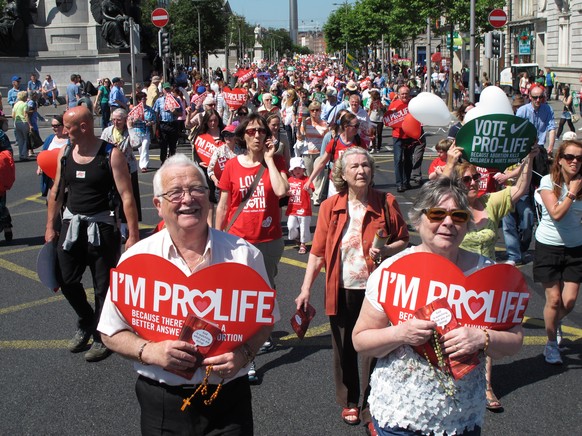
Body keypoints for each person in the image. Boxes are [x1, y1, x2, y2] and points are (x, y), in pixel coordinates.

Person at [97, 154, 276, 435]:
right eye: (175, 192)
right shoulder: (136, 259)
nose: (188, 199)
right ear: (158, 204)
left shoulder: (244, 255)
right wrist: (150, 351)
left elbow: (265, 321)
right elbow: (109, 332)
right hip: (163, 402)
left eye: (196, 189)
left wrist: (244, 354)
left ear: (208, 196)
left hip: (229, 400)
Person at [353, 177, 524, 436]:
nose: (448, 223)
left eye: (458, 215)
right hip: (400, 415)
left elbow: (515, 340)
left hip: (461, 418)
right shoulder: (392, 271)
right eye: (437, 214)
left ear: (467, 222)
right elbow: (360, 340)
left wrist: (482, 337)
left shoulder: (488, 274)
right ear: (418, 219)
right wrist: (400, 333)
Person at [296, 147, 409, 430]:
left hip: (377, 290)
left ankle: (372, 406)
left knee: (376, 349)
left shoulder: (386, 202)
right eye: (354, 167)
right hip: (342, 286)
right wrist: (305, 288)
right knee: (344, 346)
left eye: (365, 166)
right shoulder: (329, 206)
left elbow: (403, 239)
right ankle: (349, 401)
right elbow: (318, 251)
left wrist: (385, 251)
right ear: (342, 175)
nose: (361, 171)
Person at [444, 144, 536, 411]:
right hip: (453, 279)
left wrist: (528, 158)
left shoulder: (490, 203)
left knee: (484, 331)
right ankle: (449, 378)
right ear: (457, 184)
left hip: (484, 281)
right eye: (467, 179)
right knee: (451, 332)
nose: (474, 183)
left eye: (476, 177)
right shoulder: (451, 206)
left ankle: (485, 385)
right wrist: (450, 164)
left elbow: (519, 189)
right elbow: (431, 196)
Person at [45, 106, 139, 362]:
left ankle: (101, 334)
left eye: (68, 127)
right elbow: (56, 191)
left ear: (83, 127)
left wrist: (132, 235)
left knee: (103, 287)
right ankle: (86, 319)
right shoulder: (65, 153)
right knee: (65, 279)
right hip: (72, 226)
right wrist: (49, 227)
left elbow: (127, 196)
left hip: (102, 228)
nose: (64, 131)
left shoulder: (111, 154)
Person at [216, 113, 289, 381]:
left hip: (269, 240)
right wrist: (215, 234)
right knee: (242, 300)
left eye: (262, 131)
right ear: (243, 135)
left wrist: (269, 159)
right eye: (252, 131)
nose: (257, 135)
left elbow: (282, 192)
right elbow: (224, 205)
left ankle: (260, 334)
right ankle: (248, 357)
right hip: (238, 241)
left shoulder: (276, 160)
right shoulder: (232, 166)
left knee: (265, 293)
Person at [533, 139, 582, 365]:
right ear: (560, 160)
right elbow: (556, 214)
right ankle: (551, 343)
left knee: (569, 301)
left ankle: (554, 322)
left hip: (575, 249)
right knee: (553, 300)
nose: (575, 162)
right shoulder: (548, 182)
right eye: (570, 157)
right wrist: (571, 193)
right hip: (548, 247)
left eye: (579, 159)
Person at [101, 108, 142, 239]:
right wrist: (110, 147)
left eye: (119, 120)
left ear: (125, 120)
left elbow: (136, 144)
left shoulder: (129, 131)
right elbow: (101, 147)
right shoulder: (107, 131)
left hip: (128, 168)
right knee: (113, 197)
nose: (115, 122)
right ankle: (115, 224)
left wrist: (130, 128)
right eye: (113, 119)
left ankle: (126, 226)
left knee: (129, 197)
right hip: (112, 168)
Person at [306, 112, 366, 199]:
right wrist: (310, 180)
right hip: (336, 183)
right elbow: (322, 163)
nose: (357, 128)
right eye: (355, 126)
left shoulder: (359, 142)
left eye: (358, 125)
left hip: (353, 183)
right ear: (346, 126)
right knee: (334, 208)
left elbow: (366, 162)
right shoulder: (334, 142)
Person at [192, 109, 225, 226]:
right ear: (206, 122)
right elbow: (196, 150)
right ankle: (210, 225)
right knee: (209, 198)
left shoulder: (224, 133)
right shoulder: (201, 135)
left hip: (222, 170)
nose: (213, 123)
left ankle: (222, 225)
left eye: (215, 120)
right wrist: (199, 162)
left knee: (223, 198)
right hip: (206, 170)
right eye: (210, 121)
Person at [388, 86, 414, 192]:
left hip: (410, 135)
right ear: (398, 95)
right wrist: (393, 114)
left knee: (408, 160)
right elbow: (388, 120)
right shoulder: (394, 104)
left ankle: (406, 182)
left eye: (406, 94)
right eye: (402, 94)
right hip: (397, 135)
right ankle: (399, 183)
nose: (404, 96)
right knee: (398, 159)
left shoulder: (413, 104)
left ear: (409, 94)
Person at [286, 157, 313, 255]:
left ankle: (303, 243)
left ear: (303, 169)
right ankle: (296, 236)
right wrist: (287, 193)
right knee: (291, 226)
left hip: (304, 208)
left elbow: (311, 192)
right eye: (295, 169)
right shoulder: (289, 180)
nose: (297, 171)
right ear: (292, 170)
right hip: (293, 208)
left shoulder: (307, 179)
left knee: (304, 226)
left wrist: (308, 189)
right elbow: (286, 192)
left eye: (299, 168)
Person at [38, 115, 69, 197]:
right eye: (52, 126)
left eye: (56, 126)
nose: (53, 128)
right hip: (51, 178)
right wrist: (40, 166)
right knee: (50, 200)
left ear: (64, 126)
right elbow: (43, 154)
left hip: (66, 177)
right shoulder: (50, 139)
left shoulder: (70, 140)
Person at [153, 83, 183, 164]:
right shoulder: (159, 101)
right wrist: (156, 124)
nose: (167, 91)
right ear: (163, 90)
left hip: (173, 124)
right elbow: (155, 113)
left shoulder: (177, 100)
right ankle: (163, 161)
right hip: (163, 124)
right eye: (166, 89)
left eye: (169, 89)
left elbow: (181, 113)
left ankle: (172, 161)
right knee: (163, 145)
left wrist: (175, 112)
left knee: (172, 145)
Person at [127, 92, 156, 173]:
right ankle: (145, 162)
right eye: (143, 99)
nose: (144, 100)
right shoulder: (134, 110)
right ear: (139, 100)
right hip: (137, 131)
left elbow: (154, 119)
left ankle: (143, 166)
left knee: (145, 147)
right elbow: (129, 121)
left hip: (146, 131)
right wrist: (135, 120)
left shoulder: (150, 109)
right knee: (141, 149)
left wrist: (151, 122)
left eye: (145, 98)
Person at [0, 128, 14, 242]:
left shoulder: (0, 134)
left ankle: (6, 225)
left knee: (0, 205)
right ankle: (6, 225)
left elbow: (8, 152)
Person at [11, 91, 29, 162]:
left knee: (20, 139)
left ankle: (20, 154)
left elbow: (13, 115)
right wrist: (29, 124)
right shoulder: (25, 104)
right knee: (25, 139)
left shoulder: (15, 104)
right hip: (23, 122)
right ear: (24, 97)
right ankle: (24, 154)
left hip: (17, 122)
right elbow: (25, 114)